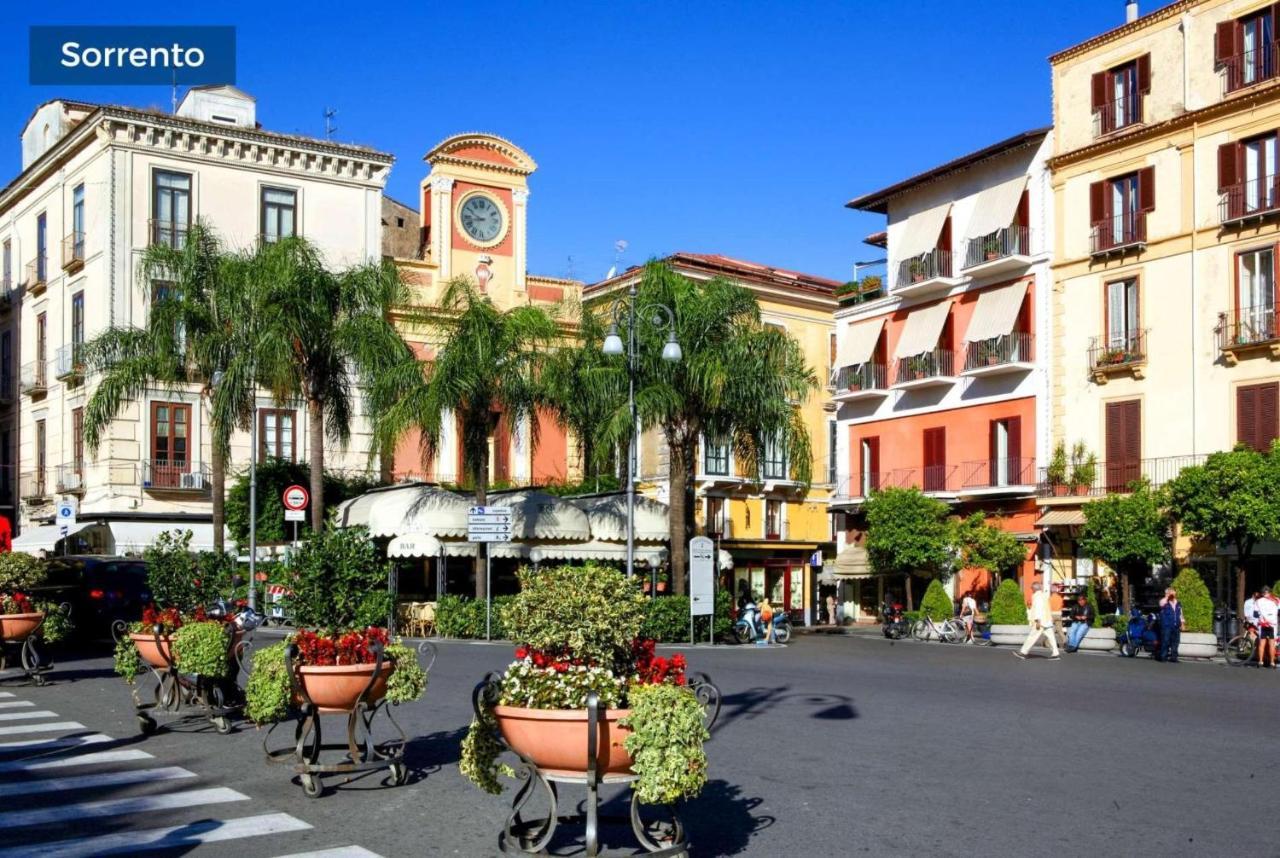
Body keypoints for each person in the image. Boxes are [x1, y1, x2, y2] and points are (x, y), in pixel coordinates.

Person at [1016, 581, 1060, 660]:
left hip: (1041, 621)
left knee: (1032, 637)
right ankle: (1055, 653)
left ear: (1034, 588)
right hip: (1047, 620)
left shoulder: (1036, 596)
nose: (1031, 589)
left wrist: (1037, 620)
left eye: (1031, 588)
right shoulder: (1044, 595)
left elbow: (1038, 609)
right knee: (1051, 637)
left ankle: (1023, 652)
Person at [1157, 587, 1185, 663]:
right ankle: (1163, 657)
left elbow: (1180, 615)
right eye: (1171, 592)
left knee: (1175, 642)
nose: (1173, 593)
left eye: (1174, 592)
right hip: (1167, 625)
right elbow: (1161, 604)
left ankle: (1174, 657)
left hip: (1176, 625)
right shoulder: (1164, 601)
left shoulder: (1178, 603)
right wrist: (1167, 596)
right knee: (1165, 641)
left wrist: (1182, 624)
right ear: (1167, 593)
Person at [1255, 586, 1280, 668]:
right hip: (1273, 624)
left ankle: (1260, 662)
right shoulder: (1277, 600)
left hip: (1263, 624)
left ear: (1262, 593)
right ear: (1270, 592)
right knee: (1272, 644)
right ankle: (1272, 662)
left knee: (1262, 644)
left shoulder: (1258, 601)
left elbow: (1255, 614)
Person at [1049, 584, 1066, 648]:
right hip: (1059, 614)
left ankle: (1049, 643)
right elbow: (1062, 606)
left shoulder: (1049, 598)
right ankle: (1065, 641)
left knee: (1050, 630)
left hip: (1051, 615)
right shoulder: (1060, 598)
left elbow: (1047, 607)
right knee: (1060, 630)